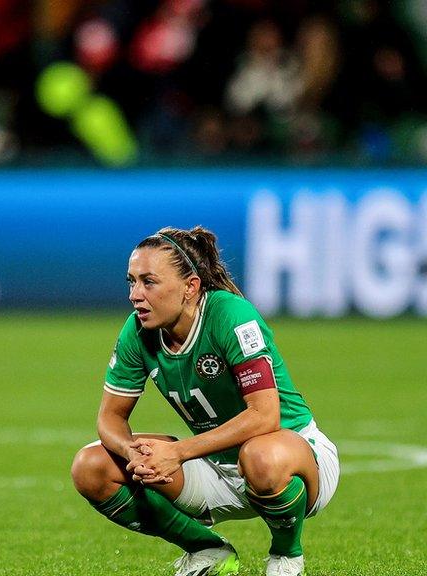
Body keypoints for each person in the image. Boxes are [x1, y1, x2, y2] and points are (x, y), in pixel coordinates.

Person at [70, 226, 339, 576]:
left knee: (259, 454)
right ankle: (208, 549)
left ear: (190, 287)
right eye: (131, 281)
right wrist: (131, 453)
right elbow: (110, 419)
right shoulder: (137, 329)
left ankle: (286, 556)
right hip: (211, 467)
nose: (135, 295)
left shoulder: (230, 315)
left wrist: (177, 453)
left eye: (148, 282)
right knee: (91, 466)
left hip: (292, 459)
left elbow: (265, 416)